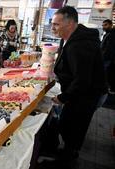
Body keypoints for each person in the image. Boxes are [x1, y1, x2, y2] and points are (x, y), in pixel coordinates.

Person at [49, 6, 107, 168]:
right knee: (69, 124)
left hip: (87, 94)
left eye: (56, 24)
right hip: (81, 92)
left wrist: (62, 98)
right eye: (52, 24)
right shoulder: (70, 38)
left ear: (70, 24)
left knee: (72, 125)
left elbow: (82, 80)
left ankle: (68, 159)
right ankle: (68, 151)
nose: (52, 28)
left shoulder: (80, 45)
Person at [101, 19, 115, 94]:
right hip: (106, 59)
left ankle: (106, 91)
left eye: (105, 25)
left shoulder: (112, 34)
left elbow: (109, 49)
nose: (103, 27)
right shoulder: (107, 34)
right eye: (103, 25)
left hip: (108, 60)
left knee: (106, 76)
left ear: (111, 25)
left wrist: (102, 58)